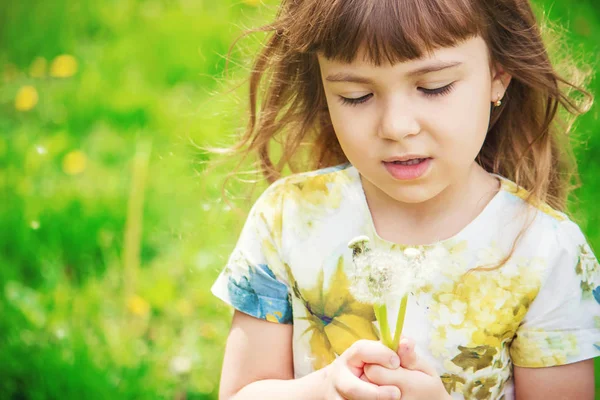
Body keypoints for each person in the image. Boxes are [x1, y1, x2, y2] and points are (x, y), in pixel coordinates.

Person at [210, 0, 600, 398]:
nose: (396, 126)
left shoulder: (546, 253)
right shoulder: (288, 219)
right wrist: (323, 389)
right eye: (357, 95)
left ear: (497, 75)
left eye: (434, 87)